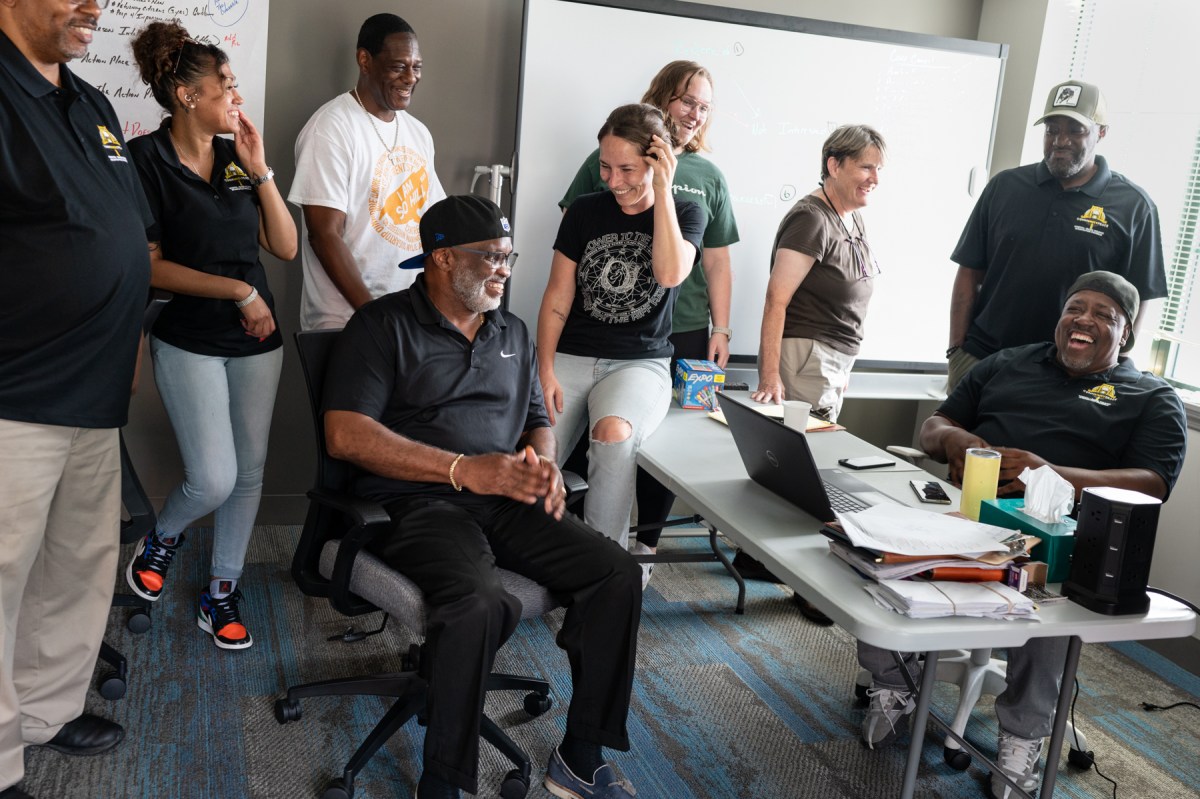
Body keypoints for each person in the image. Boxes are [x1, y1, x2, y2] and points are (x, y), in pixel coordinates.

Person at [323, 195, 642, 799]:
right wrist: (463, 469)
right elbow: (345, 435)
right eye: (491, 256)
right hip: (418, 504)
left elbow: (531, 420)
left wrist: (543, 464)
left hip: (504, 500)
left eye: (508, 256)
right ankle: (443, 781)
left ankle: (580, 754)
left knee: (616, 572)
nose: (504, 268)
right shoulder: (382, 326)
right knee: (477, 603)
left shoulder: (512, 331)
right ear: (442, 259)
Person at [857, 272, 1187, 799]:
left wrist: (1050, 472)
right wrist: (960, 442)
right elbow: (933, 427)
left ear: (1125, 333)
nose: (1084, 320)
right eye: (1075, 308)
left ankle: (1023, 736)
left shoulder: (1150, 397)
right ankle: (894, 684)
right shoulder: (1006, 363)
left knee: (1047, 612)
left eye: (1104, 314)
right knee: (874, 556)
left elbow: (1153, 482)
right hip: (966, 517)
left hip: (1060, 539)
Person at [0, 0, 152, 794]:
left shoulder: (89, 100)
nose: (94, 2)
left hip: (94, 392)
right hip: (16, 392)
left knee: (76, 567)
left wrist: (124, 336)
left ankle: (42, 716)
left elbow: (121, 230)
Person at [123, 21, 298, 650]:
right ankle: (163, 537)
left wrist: (261, 170)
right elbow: (149, 264)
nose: (236, 99)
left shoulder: (234, 158)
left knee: (247, 473)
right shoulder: (144, 161)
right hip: (188, 336)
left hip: (256, 341)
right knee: (214, 477)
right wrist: (239, 292)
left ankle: (220, 591)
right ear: (187, 97)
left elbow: (283, 244)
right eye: (225, 87)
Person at [559, 60, 739, 581]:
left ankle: (644, 551)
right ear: (663, 97)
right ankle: (573, 545)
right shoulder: (613, 156)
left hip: (677, 328)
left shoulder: (706, 176)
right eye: (688, 101)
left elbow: (718, 261)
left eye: (704, 107)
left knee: (647, 441)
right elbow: (577, 233)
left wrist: (721, 329)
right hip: (603, 326)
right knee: (586, 440)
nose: (695, 114)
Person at [538, 104, 703, 550]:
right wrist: (545, 368)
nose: (613, 181)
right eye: (605, 167)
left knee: (614, 431)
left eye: (627, 168)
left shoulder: (687, 214)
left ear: (658, 160)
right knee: (537, 444)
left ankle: (603, 560)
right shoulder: (584, 212)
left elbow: (670, 274)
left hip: (639, 363)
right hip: (572, 355)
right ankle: (526, 554)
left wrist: (663, 192)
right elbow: (557, 296)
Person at [946, 79, 1167, 389]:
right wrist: (957, 350)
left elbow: (1139, 296)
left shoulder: (1134, 206)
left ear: (1101, 132)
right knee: (954, 438)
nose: (1060, 140)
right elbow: (969, 272)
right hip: (983, 359)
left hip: (1067, 375)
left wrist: (1111, 361)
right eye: (1052, 129)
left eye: (1076, 130)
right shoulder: (1005, 187)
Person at [289, 12, 445, 331]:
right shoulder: (331, 128)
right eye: (398, 66)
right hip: (345, 321)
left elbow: (435, 220)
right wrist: (373, 314)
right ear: (364, 60)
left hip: (408, 318)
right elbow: (324, 235)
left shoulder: (419, 133)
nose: (410, 77)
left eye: (416, 67)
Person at [752, 124, 887, 422]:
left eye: (878, 169)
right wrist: (771, 376)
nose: (875, 179)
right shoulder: (811, 219)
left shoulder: (853, 218)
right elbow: (776, 300)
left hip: (831, 364)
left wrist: (842, 367)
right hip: (807, 359)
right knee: (801, 459)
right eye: (866, 167)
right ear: (834, 165)